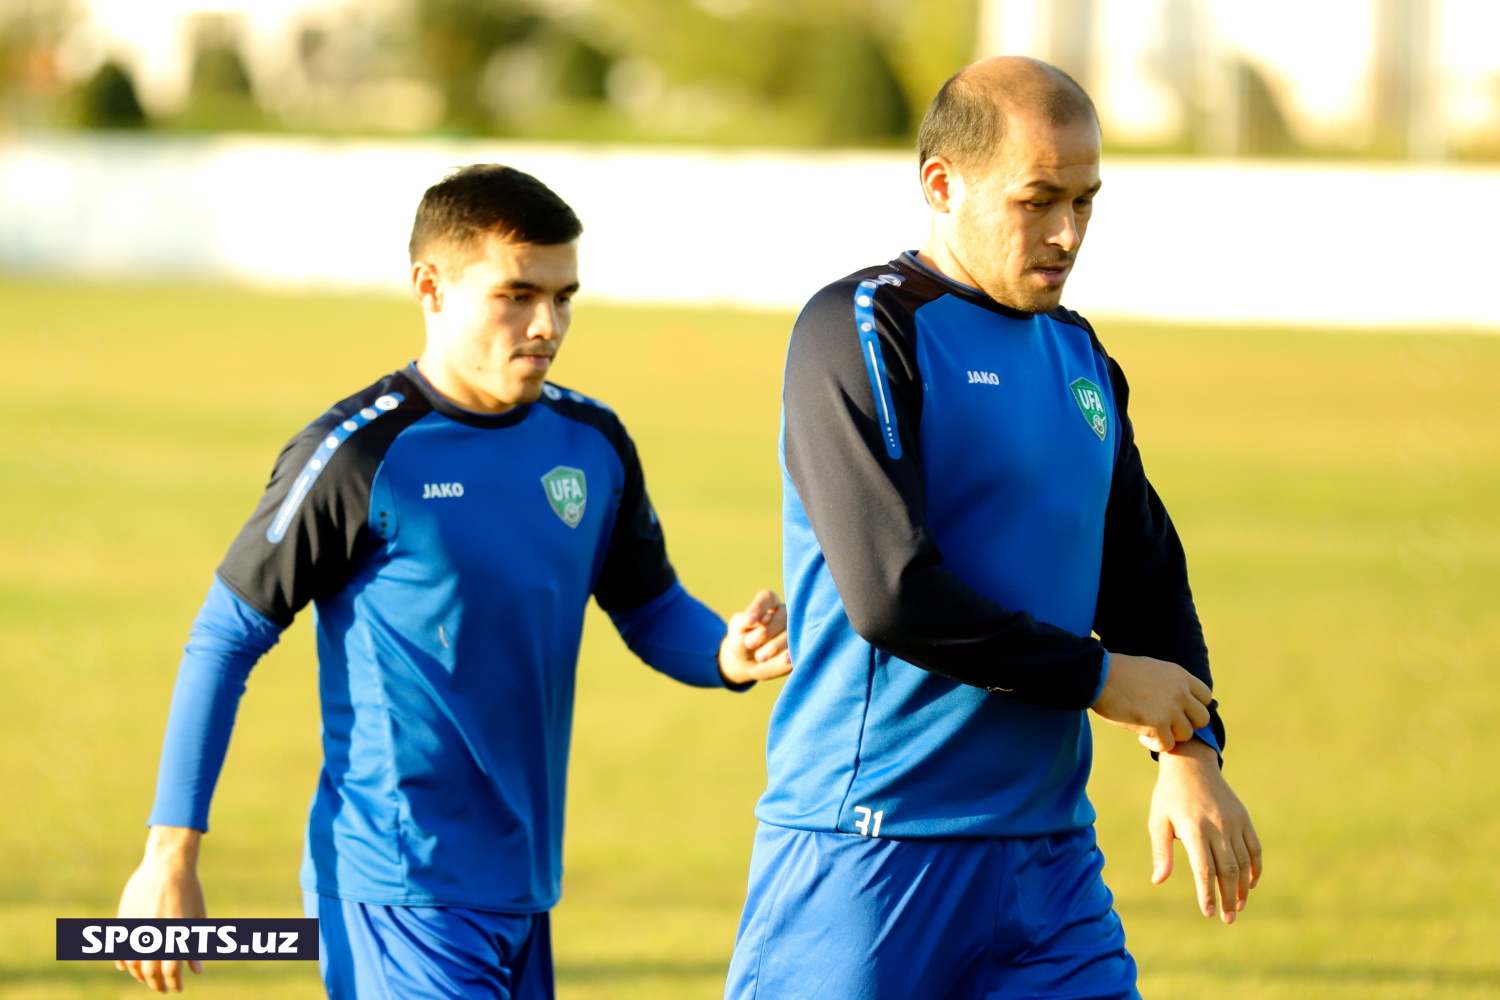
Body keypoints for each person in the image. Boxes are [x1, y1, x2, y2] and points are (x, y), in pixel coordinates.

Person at [116, 164, 792, 998]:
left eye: (564, 296)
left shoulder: (592, 443)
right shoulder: (359, 454)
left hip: (524, 889)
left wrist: (725, 651)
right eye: (516, 294)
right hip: (398, 888)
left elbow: (650, 609)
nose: (548, 324)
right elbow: (225, 638)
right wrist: (168, 855)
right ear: (430, 287)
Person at [724, 56, 1260, 1000]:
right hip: (871, 853)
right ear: (943, 183)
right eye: (1039, 199)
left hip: (1048, 867)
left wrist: (1189, 748)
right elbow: (893, 595)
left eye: (1087, 201)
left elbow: (1142, 577)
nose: (1067, 233)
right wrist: (1101, 681)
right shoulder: (860, 327)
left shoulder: (1079, 352)